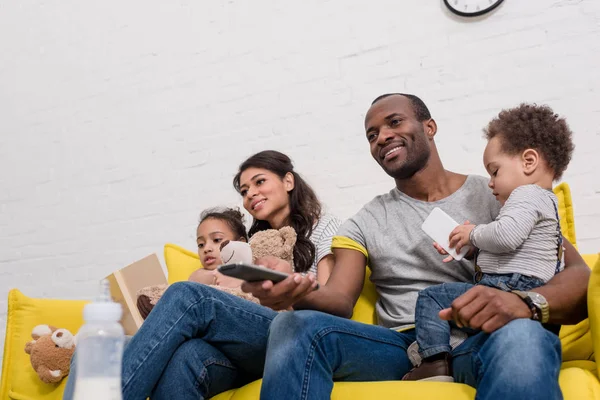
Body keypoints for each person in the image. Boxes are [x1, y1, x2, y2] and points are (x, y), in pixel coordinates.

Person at [244, 94, 589, 400]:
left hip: (482, 336)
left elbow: (577, 275)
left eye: (394, 122)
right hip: (400, 348)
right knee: (292, 326)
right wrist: (292, 291)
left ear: (429, 127)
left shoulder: (501, 192)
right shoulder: (364, 221)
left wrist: (524, 303)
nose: (383, 137)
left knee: (525, 338)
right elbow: (337, 301)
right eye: (372, 135)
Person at [63, 150, 341, 400]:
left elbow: (330, 307)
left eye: (259, 182)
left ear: (288, 181)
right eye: (244, 191)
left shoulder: (325, 227)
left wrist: (285, 286)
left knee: (186, 295)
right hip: (238, 346)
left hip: (289, 332)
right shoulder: (244, 244)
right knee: (167, 355)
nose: (251, 194)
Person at [402, 103, 575, 381]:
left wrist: (472, 233)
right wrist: (472, 249)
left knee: (432, 297)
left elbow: (506, 236)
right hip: (527, 292)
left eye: (494, 172)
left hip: (510, 285)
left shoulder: (525, 195)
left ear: (529, 161)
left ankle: (434, 361)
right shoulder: (546, 203)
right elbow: (515, 248)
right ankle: (453, 346)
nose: (490, 183)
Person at [188, 207, 249, 288]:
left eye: (216, 240)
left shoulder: (254, 267)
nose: (206, 249)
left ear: (240, 243)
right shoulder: (200, 275)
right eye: (201, 245)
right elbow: (195, 279)